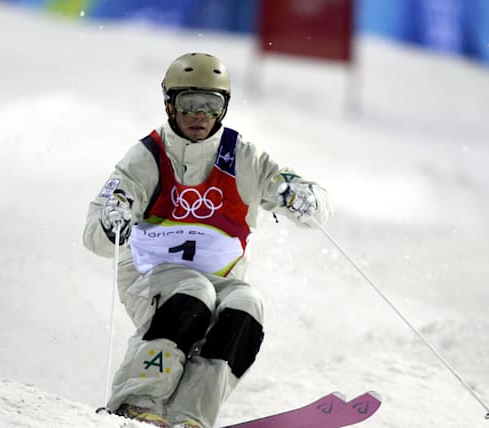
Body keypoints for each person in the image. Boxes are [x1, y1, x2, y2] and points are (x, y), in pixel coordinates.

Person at [83, 52, 333, 428]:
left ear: (224, 108)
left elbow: (306, 195)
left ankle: (190, 415)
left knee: (246, 305)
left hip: (222, 279)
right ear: (169, 105)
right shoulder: (147, 157)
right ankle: (137, 401)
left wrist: (305, 198)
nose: (199, 115)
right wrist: (111, 219)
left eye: (211, 105)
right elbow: (96, 235)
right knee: (193, 292)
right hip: (150, 276)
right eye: (189, 103)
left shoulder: (243, 157)